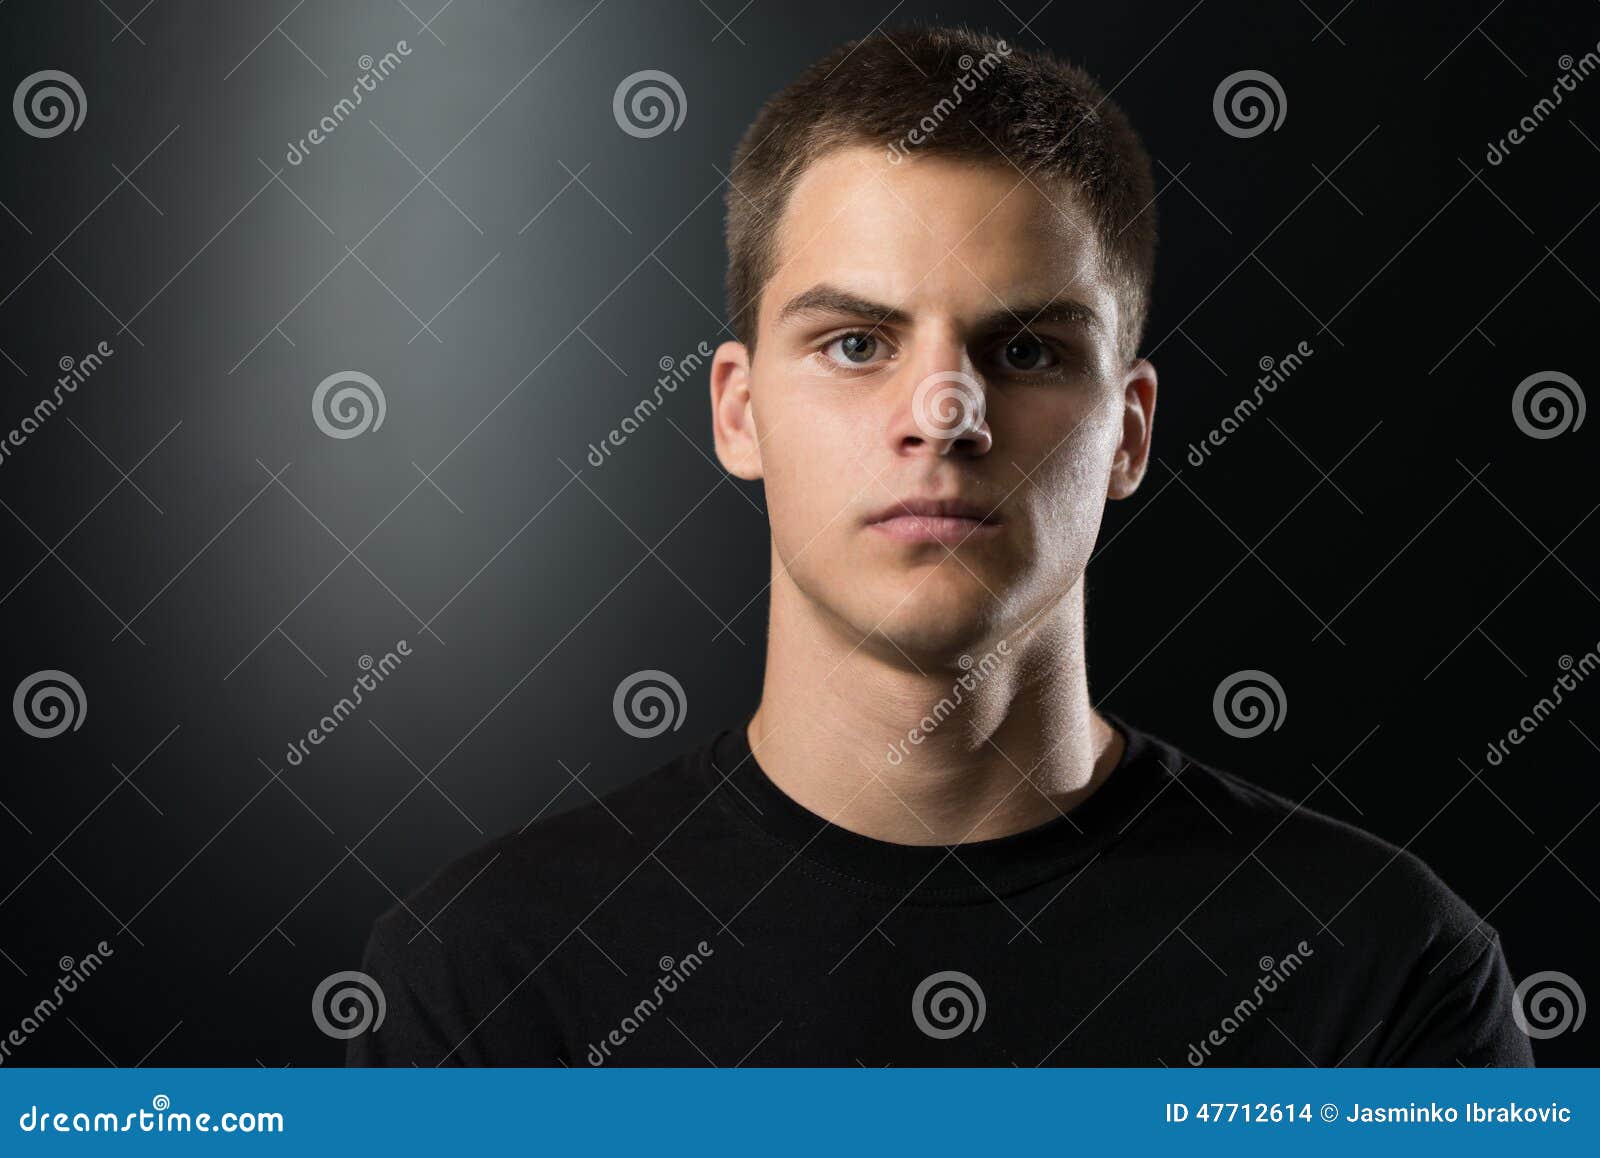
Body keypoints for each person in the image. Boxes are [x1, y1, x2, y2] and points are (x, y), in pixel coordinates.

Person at [348, 24, 1532, 1067]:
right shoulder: (493, 978)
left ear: (1128, 433)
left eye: (1024, 352)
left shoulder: (1380, 974)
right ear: (738, 410)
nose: (944, 414)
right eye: (857, 343)